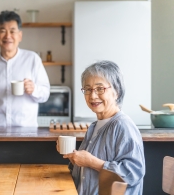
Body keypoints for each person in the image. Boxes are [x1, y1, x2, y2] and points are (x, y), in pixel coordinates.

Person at [57, 61, 145, 194]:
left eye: (100, 88)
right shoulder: (94, 126)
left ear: (117, 92)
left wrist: (92, 162)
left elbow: (133, 173)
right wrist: (73, 157)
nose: (92, 96)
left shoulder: (123, 125)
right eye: (87, 89)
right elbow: (87, 170)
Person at [0, 11, 50, 127]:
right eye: (3, 31)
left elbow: (45, 94)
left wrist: (33, 89)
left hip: (26, 131)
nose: (7, 36)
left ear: (20, 35)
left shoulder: (32, 59)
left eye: (12, 31)